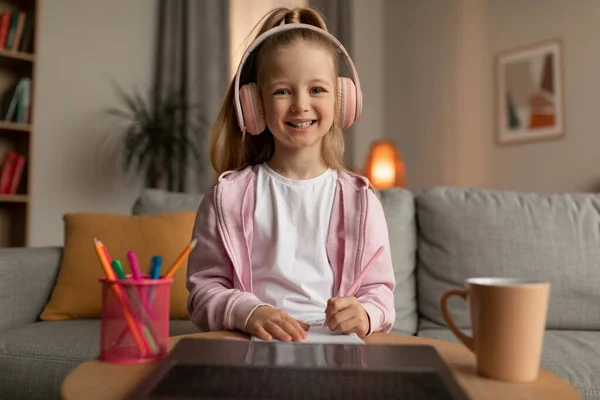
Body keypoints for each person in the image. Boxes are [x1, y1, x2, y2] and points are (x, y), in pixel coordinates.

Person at [186, 7, 395, 342]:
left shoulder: (361, 202)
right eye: (283, 91)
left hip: (334, 347)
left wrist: (365, 313)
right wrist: (248, 312)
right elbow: (202, 293)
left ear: (343, 101)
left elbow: (380, 294)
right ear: (254, 104)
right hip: (250, 342)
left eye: (317, 90)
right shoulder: (226, 198)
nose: (301, 104)